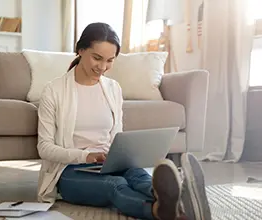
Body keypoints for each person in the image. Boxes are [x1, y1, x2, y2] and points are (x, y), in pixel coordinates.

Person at [36, 22, 211, 220]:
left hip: (109, 164)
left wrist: (120, 156)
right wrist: (86, 156)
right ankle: (160, 211)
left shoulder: (113, 89)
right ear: (80, 50)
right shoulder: (53, 91)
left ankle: (178, 201)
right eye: (97, 58)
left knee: (139, 177)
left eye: (110, 60)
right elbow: (44, 147)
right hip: (69, 171)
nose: (102, 67)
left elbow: (117, 136)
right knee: (116, 185)